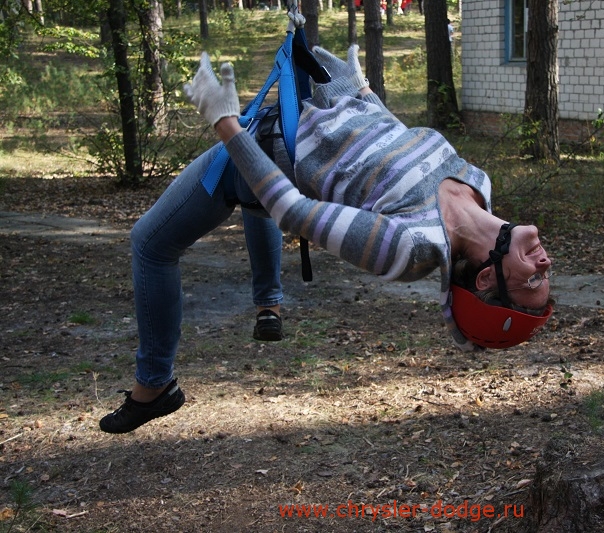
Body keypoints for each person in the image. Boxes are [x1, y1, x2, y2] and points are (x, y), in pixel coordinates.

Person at [99, 15, 553, 434]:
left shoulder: (412, 247)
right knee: (248, 215)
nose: (545, 264)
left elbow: (293, 211)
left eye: (533, 279)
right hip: (303, 115)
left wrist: (225, 123)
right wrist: (363, 91)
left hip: (254, 155)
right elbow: (396, 141)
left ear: (487, 277)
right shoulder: (478, 183)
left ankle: (154, 386)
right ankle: (268, 304)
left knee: (150, 244)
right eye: (545, 275)